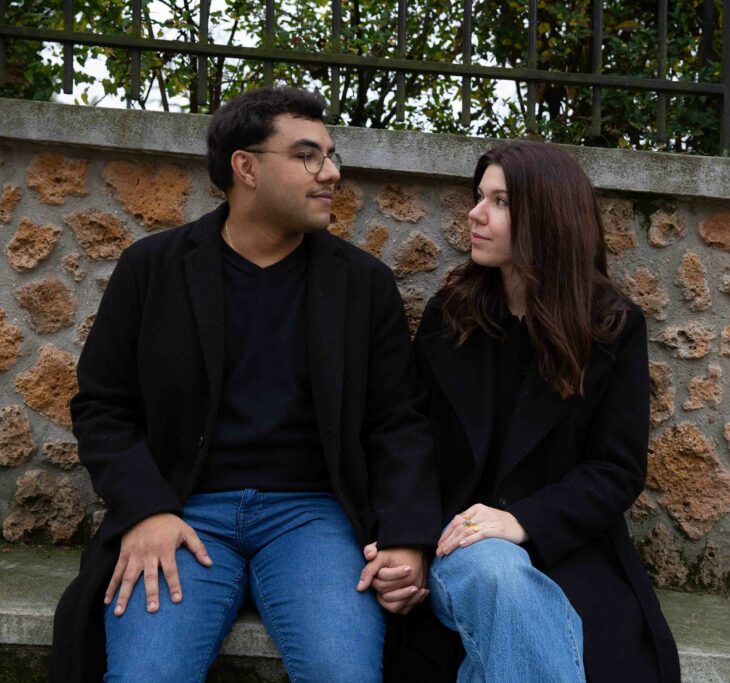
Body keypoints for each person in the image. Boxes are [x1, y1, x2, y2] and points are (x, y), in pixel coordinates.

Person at [50, 86, 439, 682]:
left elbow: (398, 421)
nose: (331, 172)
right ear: (246, 167)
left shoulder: (362, 284)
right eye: (307, 155)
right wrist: (146, 510)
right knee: (147, 675)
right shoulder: (153, 268)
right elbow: (103, 405)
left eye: (331, 155)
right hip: (183, 512)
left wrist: (407, 537)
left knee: (343, 673)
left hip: (314, 518)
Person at [375, 141, 680, 682]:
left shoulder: (609, 328)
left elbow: (616, 468)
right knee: (496, 570)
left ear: (549, 218)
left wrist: (521, 520)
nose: (475, 213)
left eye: (500, 202)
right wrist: (406, 534)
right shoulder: (452, 317)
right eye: (479, 197)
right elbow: (410, 436)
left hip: (564, 548)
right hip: (457, 545)